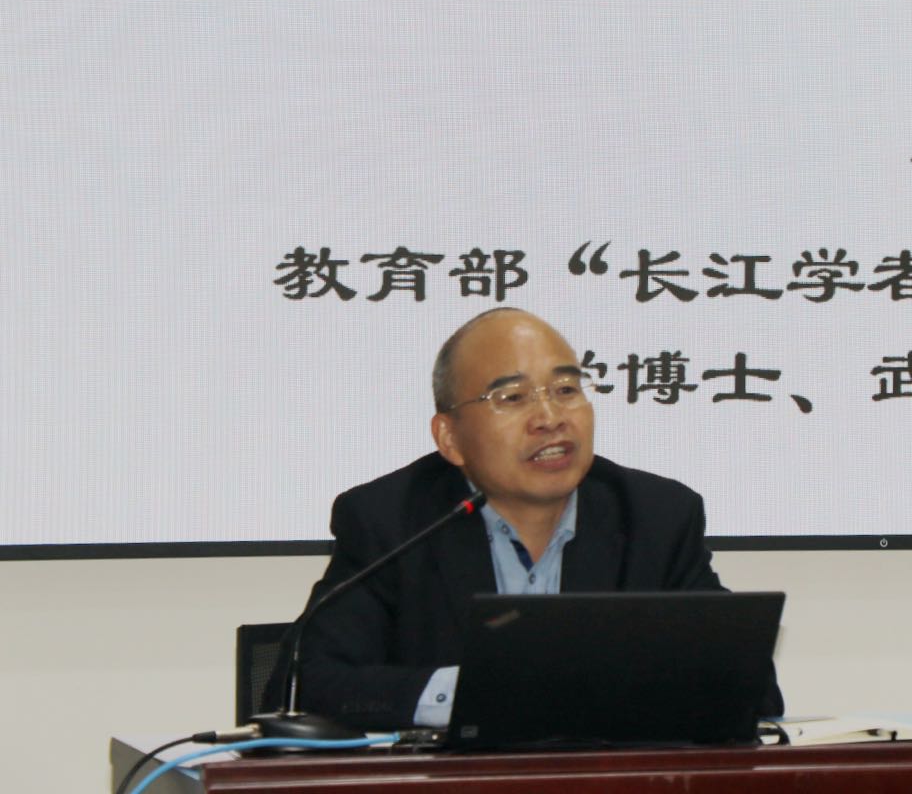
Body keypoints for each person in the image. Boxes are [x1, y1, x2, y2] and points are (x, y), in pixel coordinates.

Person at [265, 307, 782, 731]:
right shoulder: (391, 520)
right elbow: (302, 687)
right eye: (512, 398)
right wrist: (474, 692)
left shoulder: (656, 516)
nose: (550, 418)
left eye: (566, 390)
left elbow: (749, 687)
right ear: (450, 438)